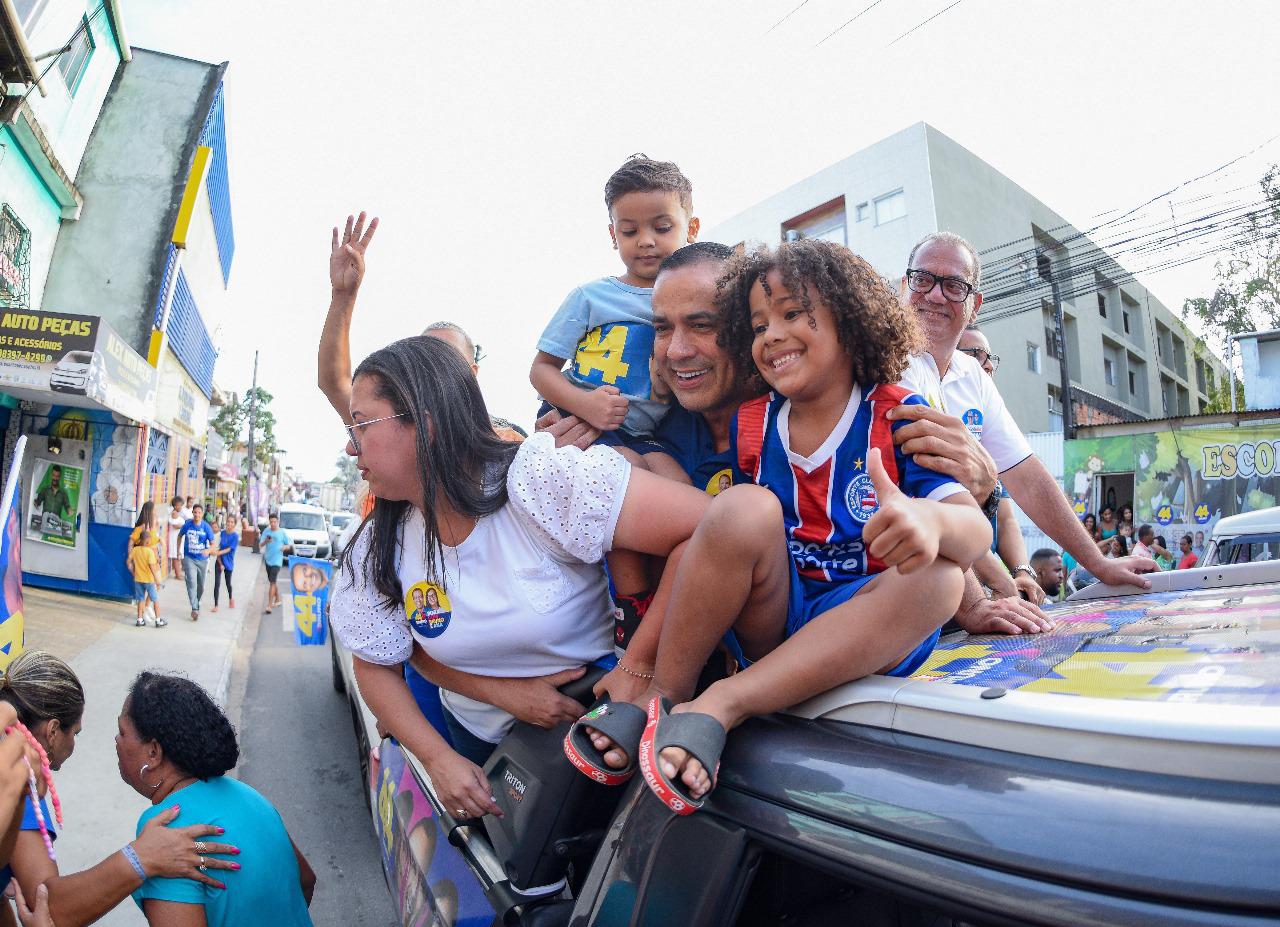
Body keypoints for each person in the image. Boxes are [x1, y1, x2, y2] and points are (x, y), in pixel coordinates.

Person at [573, 240, 990, 812]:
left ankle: (723, 704)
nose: (771, 335)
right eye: (759, 323)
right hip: (776, 617)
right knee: (743, 507)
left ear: (852, 317)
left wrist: (931, 523)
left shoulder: (897, 413)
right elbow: (740, 539)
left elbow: (973, 529)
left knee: (939, 580)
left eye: (792, 314)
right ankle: (664, 699)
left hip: (859, 619)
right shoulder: (755, 422)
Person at [330, 335, 708, 817]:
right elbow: (376, 666)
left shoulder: (535, 483)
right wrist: (440, 758)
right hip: (475, 739)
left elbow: (712, 530)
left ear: (424, 426)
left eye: (361, 425)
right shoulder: (380, 543)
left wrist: (637, 668)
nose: (348, 446)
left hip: (596, 742)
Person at [894, 232, 1155, 629]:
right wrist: (978, 602)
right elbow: (919, 494)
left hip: (954, 591)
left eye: (953, 285)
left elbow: (1029, 479)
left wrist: (1099, 564)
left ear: (974, 305)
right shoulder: (889, 365)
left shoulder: (971, 376)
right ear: (904, 286)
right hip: (892, 589)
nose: (934, 295)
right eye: (923, 279)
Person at [529, 154, 699, 649]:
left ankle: (672, 598)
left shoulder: (692, 297)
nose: (645, 241)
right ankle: (631, 606)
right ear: (612, 236)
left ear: (691, 226)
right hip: (585, 422)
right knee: (623, 478)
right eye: (630, 231)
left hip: (645, 430)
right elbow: (540, 370)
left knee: (684, 491)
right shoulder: (591, 297)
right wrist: (584, 406)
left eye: (661, 227)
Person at [1, 652, 239, 926]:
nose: (115, 740)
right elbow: (48, 907)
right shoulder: (16, 778)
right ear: (53, 731)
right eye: (75, 733)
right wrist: (141, 858)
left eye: (122, 733)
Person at [118, 672, 315, 925]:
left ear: (154, 753)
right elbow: (306, 881)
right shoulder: (250, 796)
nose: (116, 741)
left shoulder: (164, 827)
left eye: (122, 732)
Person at [956, 326, 1042, 606]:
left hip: (991, 592)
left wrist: (1022, 572)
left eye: (990, 357)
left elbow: (1005, 520)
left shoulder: (987, 433)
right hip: (958, 592)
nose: (988, 365)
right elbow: (949, 526)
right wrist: (990, 589)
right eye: (975, 355)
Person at [176, 504, 215, 621]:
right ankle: (194, 608)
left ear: (202, 514)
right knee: (191, 581)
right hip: (189, 558)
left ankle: (197, 601)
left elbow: (213, 544)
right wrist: (179, 550)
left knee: (201, 585)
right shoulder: (187, 525)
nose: (197, 515)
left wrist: (208, 550)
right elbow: (179, 536)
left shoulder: (206, 527)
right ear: (192, 513)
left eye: (199, 512)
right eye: (195, 512)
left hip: (202, 560)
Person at [128, 530, 166, 629]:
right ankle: (158, 620)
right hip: (149, 580)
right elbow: (152, 568)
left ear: (140, 539)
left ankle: (139, 619)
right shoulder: (149, 552)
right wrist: (158, 581)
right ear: (148, 541)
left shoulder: (135, 550)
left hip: (138, 579)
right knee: (155, 599)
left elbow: (128, 562)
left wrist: (133, 572)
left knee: (140, 599)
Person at [259, 514, 291, 616]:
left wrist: (285, 547)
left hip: (277, 561)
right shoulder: (266, 531)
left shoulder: (282, 532)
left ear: (277, 522)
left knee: (272, 582)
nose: (273, 524)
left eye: (274, 522)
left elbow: (289, 544)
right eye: (271, 522)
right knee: (272, 581)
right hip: (268, 560)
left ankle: (269, 605)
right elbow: (260, 545)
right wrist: (266, 541)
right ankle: (277, 598)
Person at [212, 514, 238, 613]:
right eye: (228, 521)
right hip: (219, 561)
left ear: (234, 524)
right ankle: (216, 605)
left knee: (228, 584)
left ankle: (231, 598)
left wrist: (218, 553)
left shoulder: (235, 536)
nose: (229, 524)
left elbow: (228, 549)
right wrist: (219, 560)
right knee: (217, 583)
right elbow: (218, 547)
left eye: (232, 522)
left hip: (229, 562)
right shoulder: (222, 533)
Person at [166, 497, 185, 579]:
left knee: (178, 556)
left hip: (178, 538)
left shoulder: (177, 513)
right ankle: (178, 574)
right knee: (176, 556)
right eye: (178, 505)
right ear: (174, 506)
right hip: (175, 539)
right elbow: (174, 525)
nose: (180, 507)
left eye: (181, 505)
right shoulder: (174, 513)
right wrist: (183, 526)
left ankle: (178, 573)